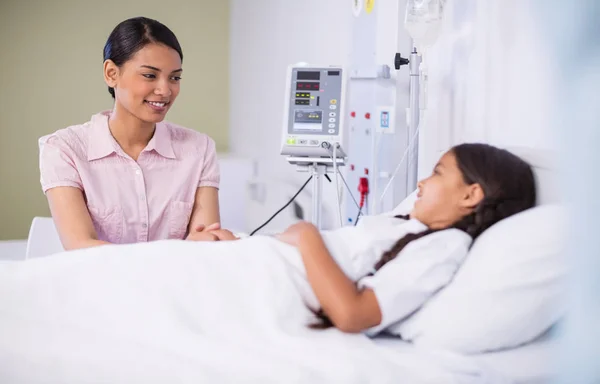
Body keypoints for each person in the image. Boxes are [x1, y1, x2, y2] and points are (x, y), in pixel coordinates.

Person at [25, 143, 535, 337]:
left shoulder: (444, 248)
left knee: (70, 300)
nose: (422, 180)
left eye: (438, 173)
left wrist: (307, 235)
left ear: (471, 194)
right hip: (249, 261)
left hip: (261, 283)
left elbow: (355, 315)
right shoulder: (413, 222)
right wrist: (237, 242)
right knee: (68, 286)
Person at [38, 17, 225, 251]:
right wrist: (178, 251)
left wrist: (218, 240)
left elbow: (206, 247)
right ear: (111, 73)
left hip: (175, 285)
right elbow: (82, 248)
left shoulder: (199, 149)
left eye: (175, 77)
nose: (165, 90)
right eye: (149, 75)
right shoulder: (64, 149)